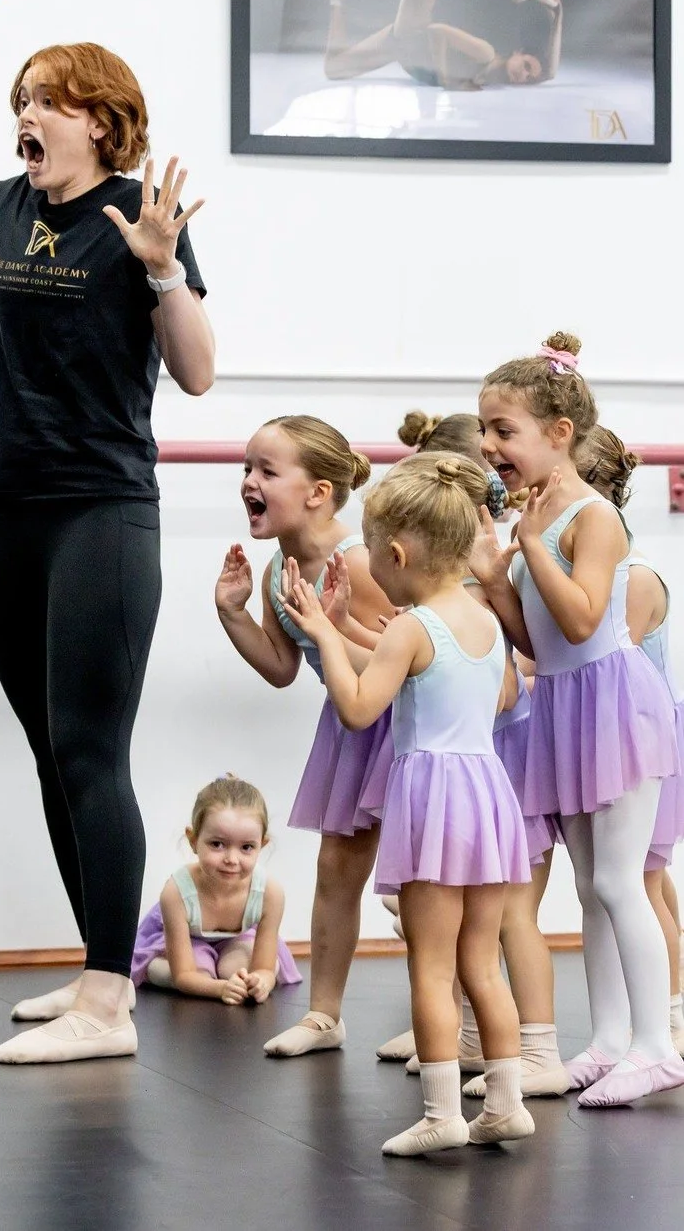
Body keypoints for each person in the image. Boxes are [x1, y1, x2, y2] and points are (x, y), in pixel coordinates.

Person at [0, 0, 214, 1064]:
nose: (25, 120)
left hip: (102, 512)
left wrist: (162, 269)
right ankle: (97, 964)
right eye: (18, 105)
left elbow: (195, 371)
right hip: (8, 506)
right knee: (52, 751)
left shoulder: (142, 216)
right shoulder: (12, 207)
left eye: (42, 101)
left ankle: (107, 1001)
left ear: (100, 118)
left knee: (93, 750)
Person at [281, 452, 533, 1156]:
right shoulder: (484, 623)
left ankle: (441, 1114)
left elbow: (360, 708)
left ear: (396, 553)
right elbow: (498, 695)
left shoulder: (410, 626)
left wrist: (326, 633)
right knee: (481, 962)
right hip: (486, 796)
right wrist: (355, 633)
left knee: (431, 963)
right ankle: (505, 1104)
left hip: (433, 801)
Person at [475, 332, 684, 1107]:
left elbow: (584, 618)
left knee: (621, 881)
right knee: (590, 886)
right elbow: (537, 643)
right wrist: (499, 587)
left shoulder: (589, 518)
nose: (488, 444)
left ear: (558, 435)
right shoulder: (541, 512)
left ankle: (656, 1046)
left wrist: (529, 544)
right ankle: (605, 1039)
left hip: (613, 704)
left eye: (504, 429)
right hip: (566, 702)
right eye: (484, 428)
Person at [381, 415, 569, 1098]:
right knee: (471, 943)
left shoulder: (443, 606)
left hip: (466, 772)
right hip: (480, 772)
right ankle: (487, 1068)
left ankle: (489, 1078)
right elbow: (500, 682)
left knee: (470, 938)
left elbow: (358, 706)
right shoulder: (469, 606)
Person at [215, 416, 393, 1057]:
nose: (248, 482)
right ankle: (325, 1014)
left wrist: (328, 625)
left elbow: (399, 665)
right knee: (337, 869)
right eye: (247, 468)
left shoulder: (365, 562)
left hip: (405, 724)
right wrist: (233, 614)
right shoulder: (276, 569)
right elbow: (282, 669)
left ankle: (462, 1021)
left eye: (266, 470)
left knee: (430, 881)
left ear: (318, 492)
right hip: (351, 727)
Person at [578, 424, 684, 1055]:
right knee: (641, 880)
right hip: (613, 735)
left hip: (644, 738)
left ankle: (668, 1017)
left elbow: (605, 664)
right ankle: (642, 1023)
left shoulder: (633, 577)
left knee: (642, 881)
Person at [131, 775, 302, 1001]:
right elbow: (184, 974)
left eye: (247, 847)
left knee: (240, 971)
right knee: (189, 972)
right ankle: (169, 968)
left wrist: (262, 981)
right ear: (193, 840)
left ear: (263, 845)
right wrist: (219, 989)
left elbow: (264, 967)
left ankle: (226, 973)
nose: (231, 858)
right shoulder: (176, 893)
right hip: (184, 943)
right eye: (217, 844)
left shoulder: (270, 893)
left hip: (239, 941)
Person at [323, 0, 562, 91]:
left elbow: (549, 72)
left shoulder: (496, 75)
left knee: (333, 69)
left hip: (402, 50)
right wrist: (447, 79)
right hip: (411, 33)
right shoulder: (486, 53)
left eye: (530, 77)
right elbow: (436, 32)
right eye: (527, 66)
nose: (525, 75)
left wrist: (559, 15)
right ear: (517, 52)